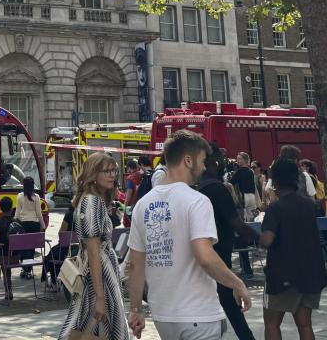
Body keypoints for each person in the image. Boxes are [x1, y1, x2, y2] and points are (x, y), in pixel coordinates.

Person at [127, 130, 251, 340]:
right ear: (187, 160)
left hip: (164, 315)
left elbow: (135, 264)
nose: (204, 166)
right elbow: (205, 256)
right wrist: (237, 283)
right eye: (202, 160)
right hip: (198, 313)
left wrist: (136, 308)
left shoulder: (142, 205)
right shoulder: (196, 201)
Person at [58, 152, 130, 340]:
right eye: (106, 171)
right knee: (97, 328)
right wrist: (100, 296)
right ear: (93, 174)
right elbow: (93, 251)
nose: (112, 175)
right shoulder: (92, 202)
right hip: (100, 277)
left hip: (99, 275)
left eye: (114, 170)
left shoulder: (94, 200)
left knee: (89, 328)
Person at [260, 159, 327, 340]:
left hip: (282, 273)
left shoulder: (276, 208)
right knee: (305, 324)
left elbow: (267, 240)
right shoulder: (309, 205)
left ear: (276, 182)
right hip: (310, 271)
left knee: (272, 323)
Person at [197, 145, 259, 340]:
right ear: (216, 162)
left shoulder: (198, 188)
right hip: (218, 253)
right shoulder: (216, 188)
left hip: (205, 252)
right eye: (222, 158)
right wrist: (261, 239)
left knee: (224, 301)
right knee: (228, 301)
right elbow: (235, 222)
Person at [15, 176, 44, 279]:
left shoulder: (19, 196)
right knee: (31, 248)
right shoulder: (36, 197)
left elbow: (17, 213)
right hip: (34, 225)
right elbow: (39, 213)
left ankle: (24, 269)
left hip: (23, 224)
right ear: (32, 186)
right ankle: (28, 271)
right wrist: (43, 226)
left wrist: (15, 223)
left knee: (23, 248)